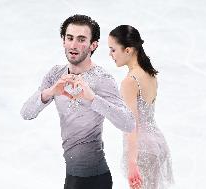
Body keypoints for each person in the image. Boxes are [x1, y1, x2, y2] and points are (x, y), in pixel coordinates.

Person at [20, 15, 136, 189]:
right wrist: (50, 92)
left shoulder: (101, 79)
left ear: (93, 45)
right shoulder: (55, 74)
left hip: (95, 177)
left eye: (81, 39)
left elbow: (128, 123)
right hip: (73, 175)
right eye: (70, 38)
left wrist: (92, 99)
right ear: (63, 41)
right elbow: (26, 113)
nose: (73, 45)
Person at [108, 25, 174, 189]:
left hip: (142, 149)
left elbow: (132, 125)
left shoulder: (130, 81)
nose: (110, 55)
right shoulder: (149, 73)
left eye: (113, 50)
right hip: (157, 143)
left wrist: (132, 163)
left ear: (128, 50)